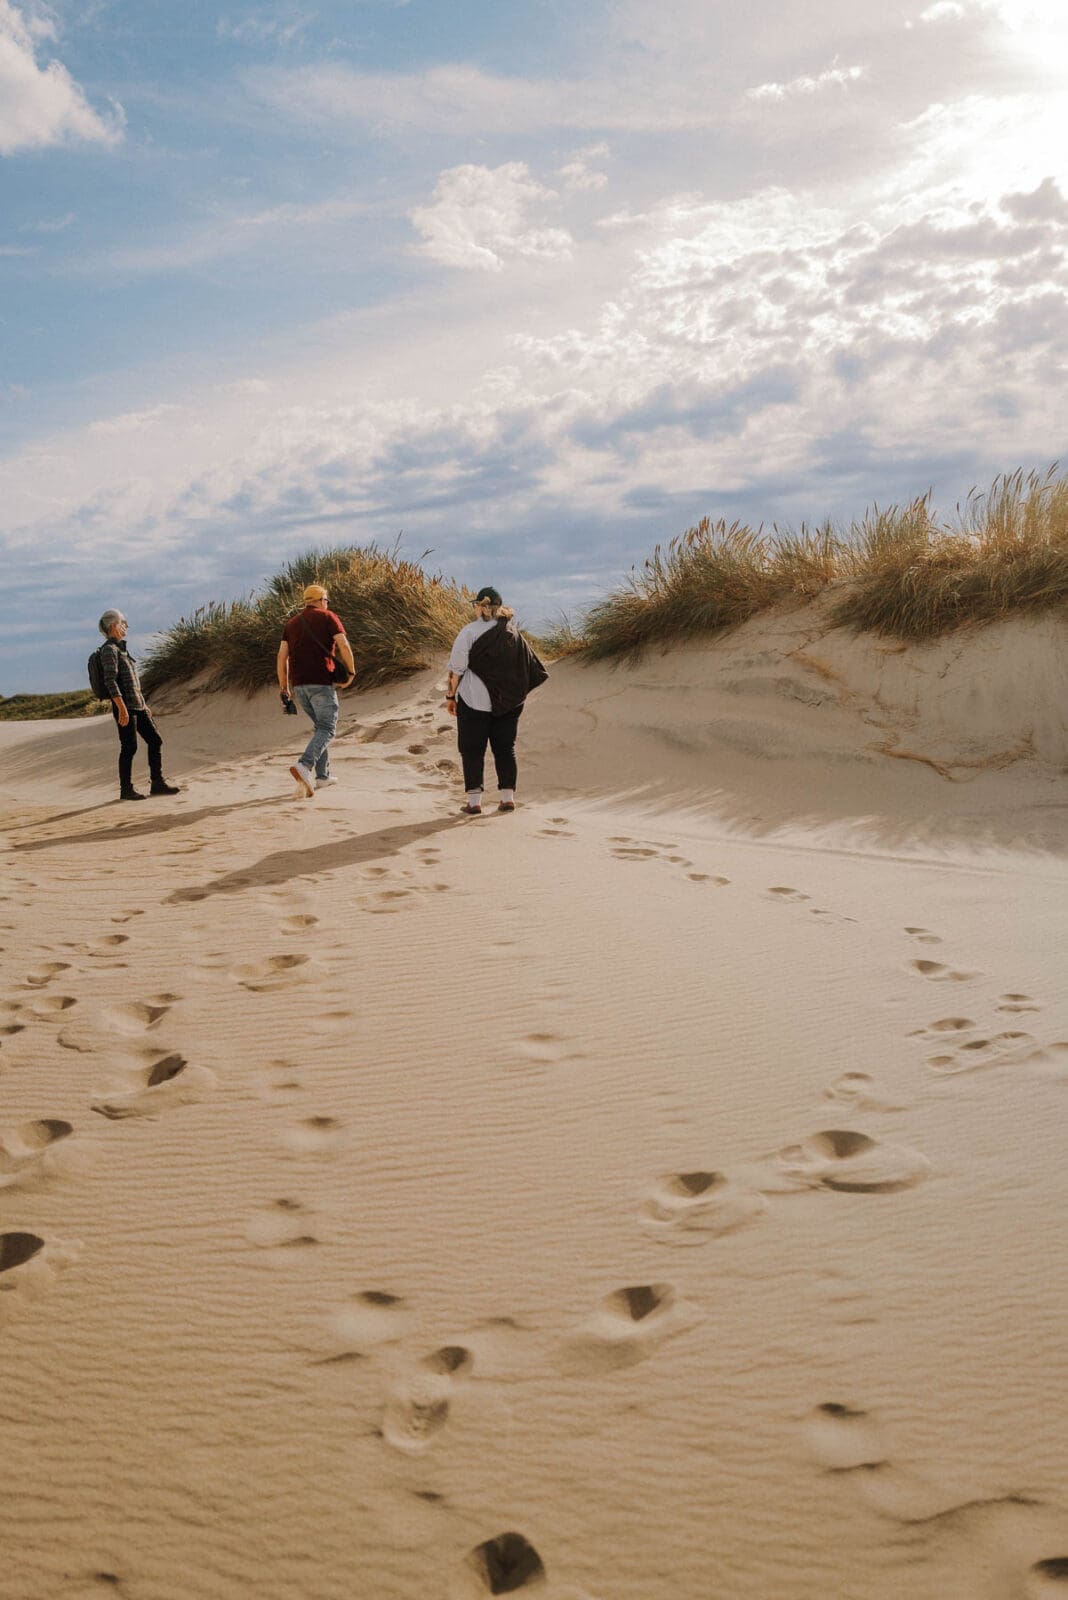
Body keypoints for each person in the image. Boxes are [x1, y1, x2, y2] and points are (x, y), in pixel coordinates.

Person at [445, 586, 547, 815]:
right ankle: (507, 798)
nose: (475, 608)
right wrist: (515, 697)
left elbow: (457, 670)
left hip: (474, 701)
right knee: (505, 748)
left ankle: (474, 803)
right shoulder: (514, 633)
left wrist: (450, 696)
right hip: (509, 703)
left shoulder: (469, 632)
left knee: (472, 750)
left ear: (482, 607)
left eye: (477, 604)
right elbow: (529, 667)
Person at [277, 583, 356, 797]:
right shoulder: (328, 617)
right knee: (328, 728)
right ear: (321, 600)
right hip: (320, 683)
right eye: (326, 600)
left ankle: (323, 777)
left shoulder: (291, 624)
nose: (327, 604)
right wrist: (351, 672)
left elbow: (282, 657)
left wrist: (284, 687)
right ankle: (305, 765)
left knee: (320, 728)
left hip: (299, 686)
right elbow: (344, 645)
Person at [97, 610, 180, 802]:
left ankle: (157, 783)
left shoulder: (122, 649)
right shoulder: (109, 650)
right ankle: (126, 789)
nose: (126, 626)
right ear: (113, 626)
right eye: (123, 622)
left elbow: (132, 682)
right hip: (125, 706)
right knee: (129, 747)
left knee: (155, 740)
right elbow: (111, 681)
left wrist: (144, 705)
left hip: (138, 706)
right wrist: (122, 708)